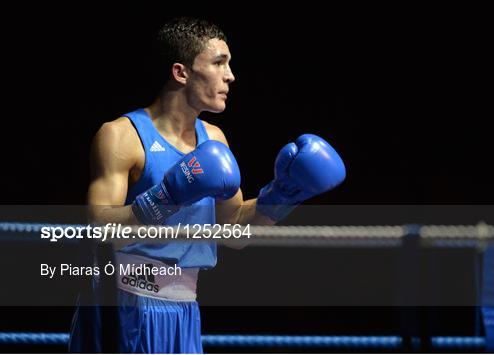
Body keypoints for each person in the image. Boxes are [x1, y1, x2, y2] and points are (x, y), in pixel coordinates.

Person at [69, 16, 346, 353]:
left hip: (184, 307)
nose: (230, 75)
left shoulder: (214, 139)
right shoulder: (121, 136)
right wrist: (167, 196)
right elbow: (98, 227)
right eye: (219, 63)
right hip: (122, 304)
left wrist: (283, 194)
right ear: (181, 72)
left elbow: (235, 231)